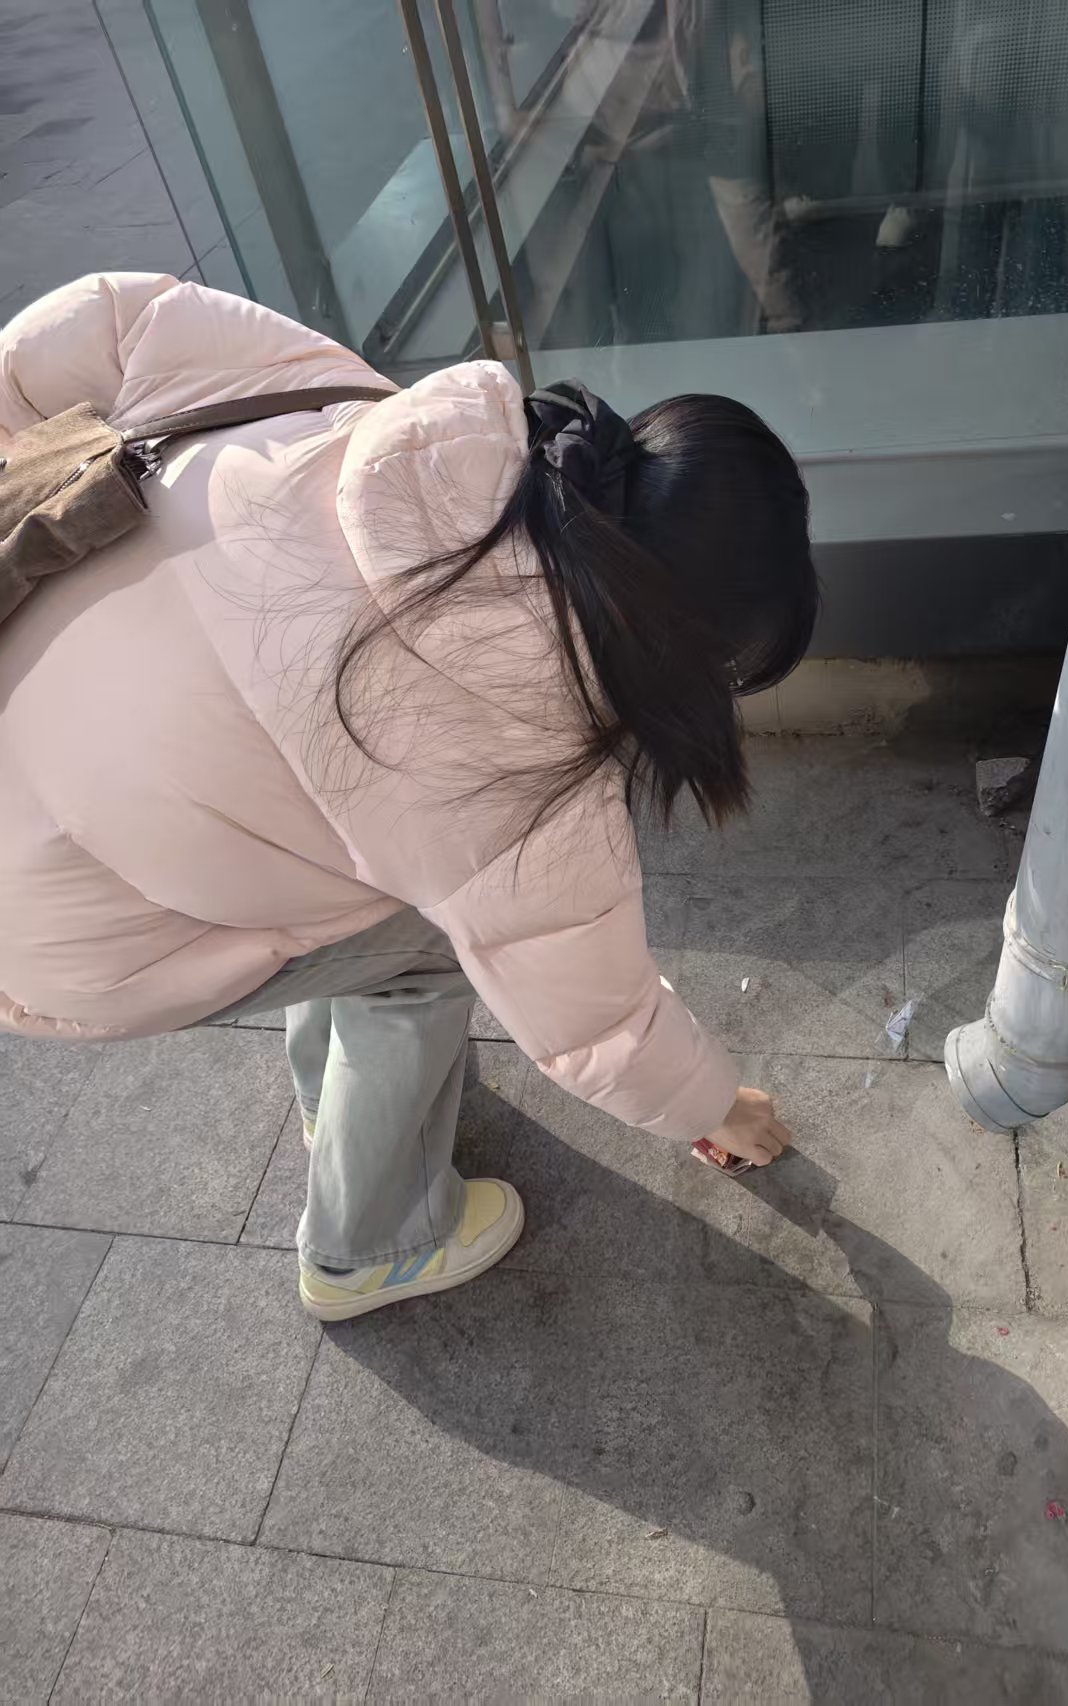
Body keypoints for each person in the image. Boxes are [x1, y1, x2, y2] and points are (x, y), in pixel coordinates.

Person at [0, 273, 816, 1320]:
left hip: (44, 780)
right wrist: (714, 1104)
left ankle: (333, 1099)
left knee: (354, 864)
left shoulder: (350, 409)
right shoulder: (517, 766)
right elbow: (596, 1024)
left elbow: (107, 318)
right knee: (430, 950)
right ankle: (370, 1244)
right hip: (53, 933)